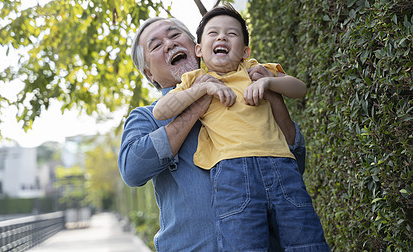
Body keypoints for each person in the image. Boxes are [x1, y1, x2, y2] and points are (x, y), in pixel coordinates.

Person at [118, 13, 307, 251]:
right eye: (156, 45)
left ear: (196, 47)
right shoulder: (146, 116)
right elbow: (132, 170)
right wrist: (198, 103)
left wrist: (273, 95)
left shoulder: (247, 87)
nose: (169, 44)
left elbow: (296, 161)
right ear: (149, 74)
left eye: (175, 35)